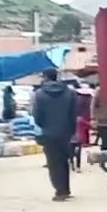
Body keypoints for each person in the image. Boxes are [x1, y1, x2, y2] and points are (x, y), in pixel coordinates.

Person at [31, 68, 77, 201]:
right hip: (66, 132)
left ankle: (59, 191)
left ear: (45, 77)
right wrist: (71, 130)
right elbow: (73, 114)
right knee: (64, 160)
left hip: (48, 133)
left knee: (53, 162)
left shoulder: (39, 94)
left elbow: (37, 115)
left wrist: (44, 125)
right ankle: (66, 189)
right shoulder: (70, 92)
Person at [91, 82, 107, 151]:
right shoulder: (99, 90)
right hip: (102, 120)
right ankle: (104, 156)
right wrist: (93, 118)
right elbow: (93, 105)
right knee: (106, 140)